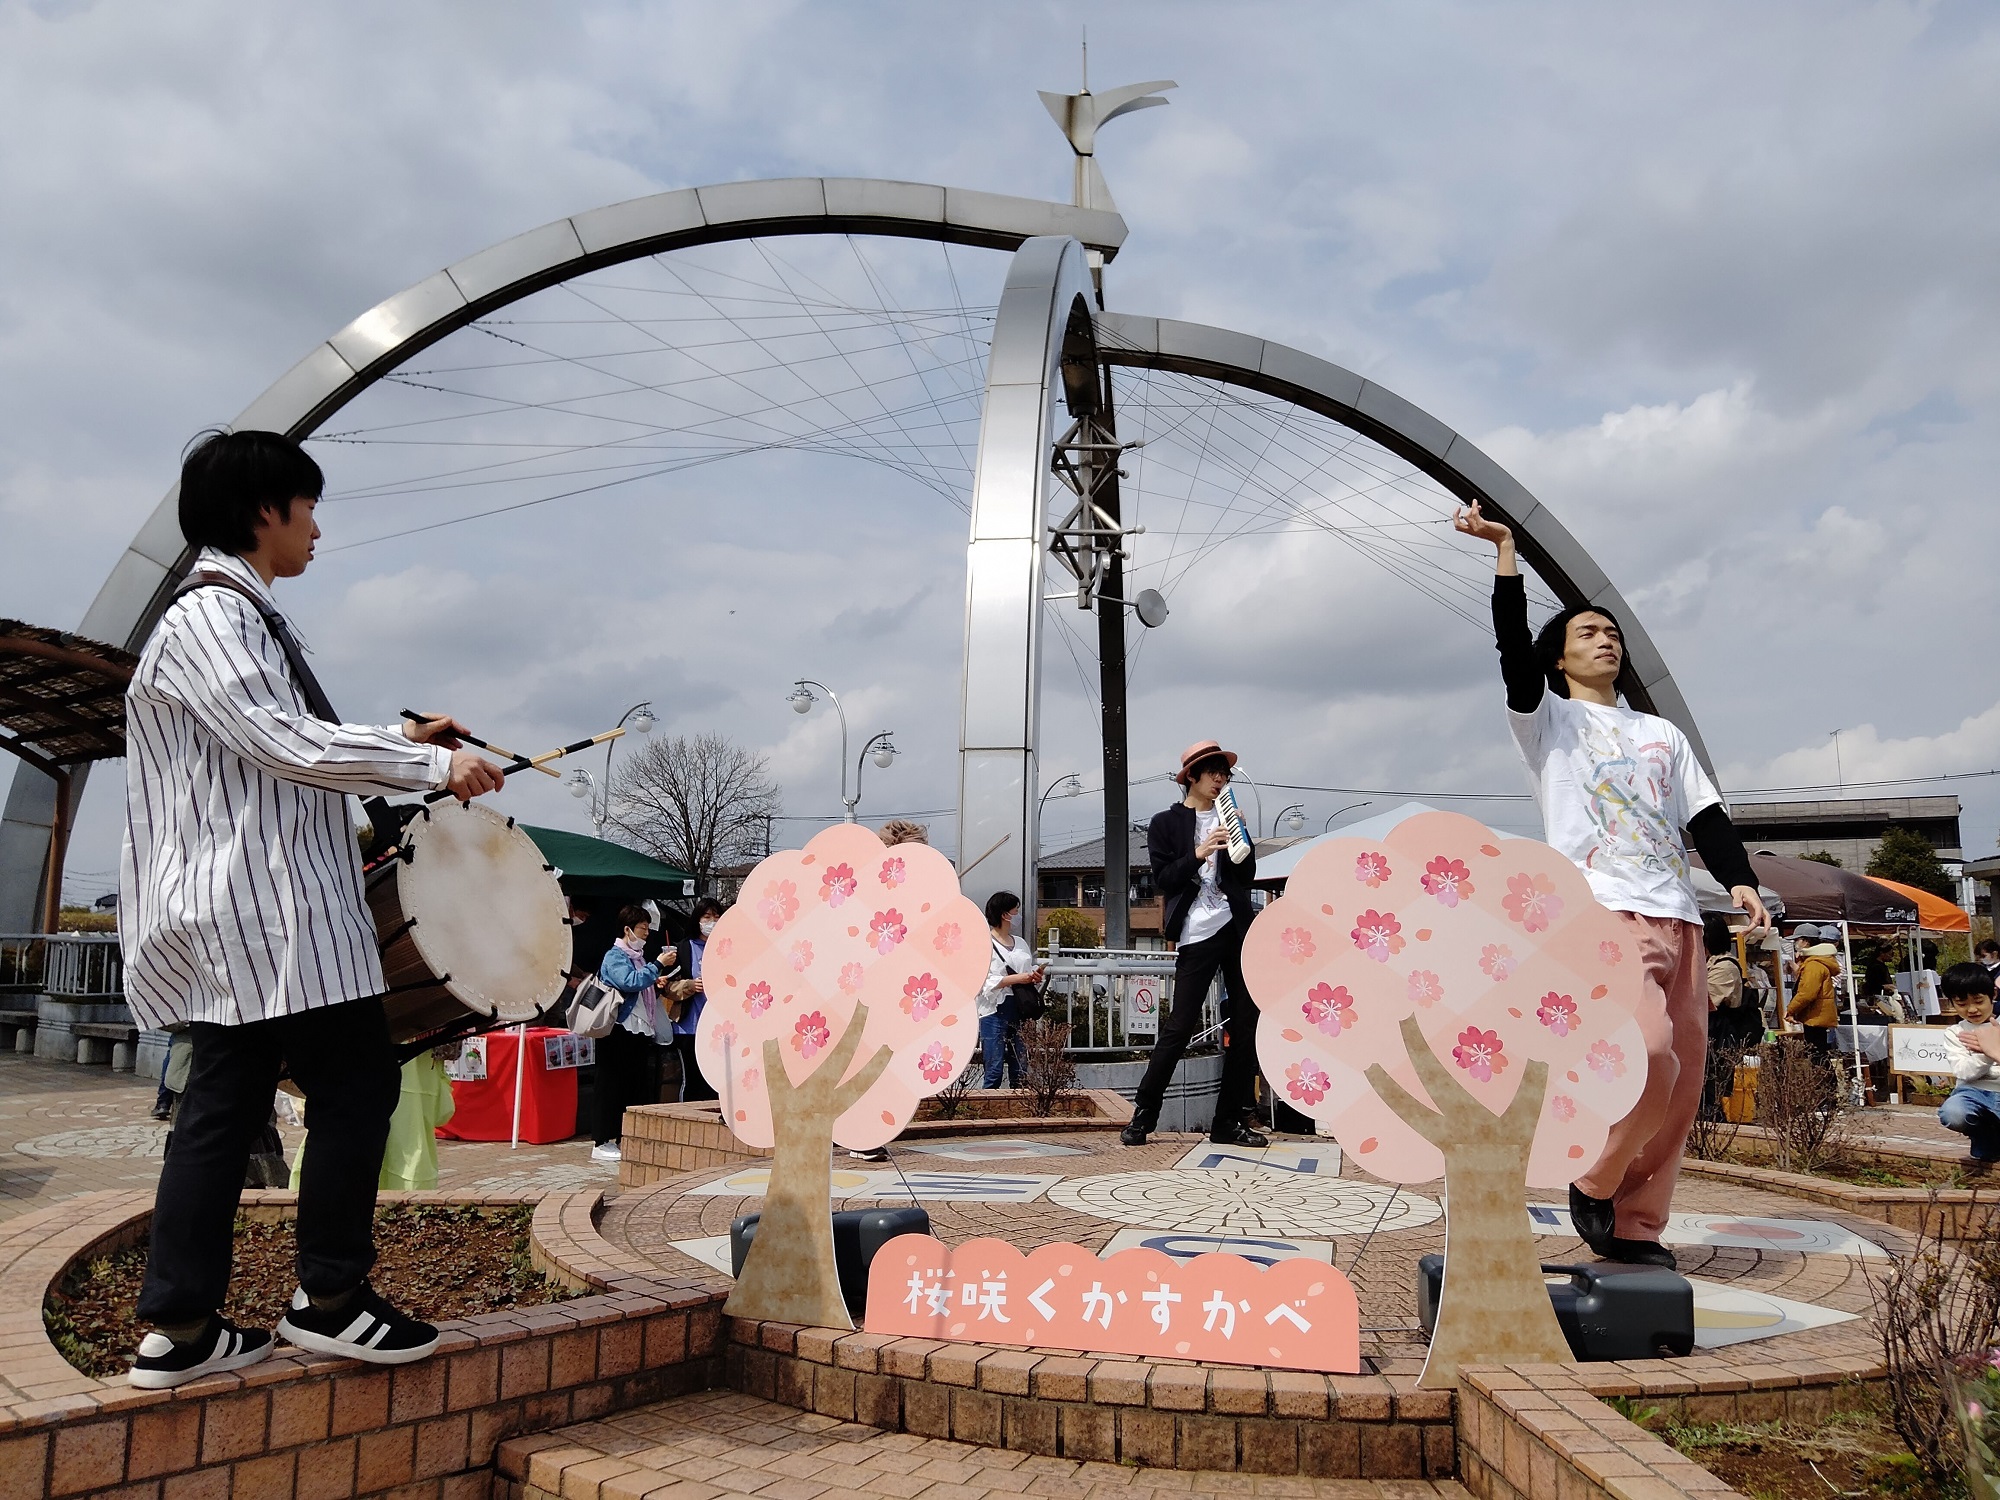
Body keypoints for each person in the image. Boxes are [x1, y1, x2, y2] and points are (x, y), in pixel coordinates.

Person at [119, 429, 505, 1390]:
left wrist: (399, 735)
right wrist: (431, 764)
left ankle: (181, 1326)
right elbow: (287, 743)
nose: (318, 528)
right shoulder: (215, 617)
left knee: (226, 1106)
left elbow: (287, 739)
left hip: (249, 917)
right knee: (352, 1088)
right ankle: (327, 1300)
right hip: (267, 916)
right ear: (264, 511)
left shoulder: (230, 616)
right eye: (307, 507)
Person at [1456, 501, 1769, 1270]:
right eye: (1588, 632)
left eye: (1612, 632)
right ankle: (1594, 1180)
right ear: (1558, 658)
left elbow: (1707, 815)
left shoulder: (1660, 734)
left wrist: (1740, 881)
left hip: (1683, 919)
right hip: (1604, 915)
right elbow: (1509, 654)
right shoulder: (1548, 722)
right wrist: (1505, 553)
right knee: (1650, 1055)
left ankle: (1637, 1228)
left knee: (1686, 1081)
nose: (1607, 639)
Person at [1122, 740, 1267, 1149]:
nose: (1221, 779)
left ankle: (1229, 1122)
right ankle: (1143, 1115)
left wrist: (1241, 837)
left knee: (1244, 1024)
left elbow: (1247, 874)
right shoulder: (1166, 823)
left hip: (1236, 927)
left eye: (1225, 773)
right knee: (1179, 1025)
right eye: (1214, 772)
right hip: (1196, 932)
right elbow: (1163, 879)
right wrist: (1200, 852)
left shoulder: (1229, 815)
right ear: (1193, 776)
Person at [591, 906, 669, 1163]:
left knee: (634, 1084)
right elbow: (629, 982)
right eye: (642, 929)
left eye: (647, 928)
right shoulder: (614, 956)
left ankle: (627, 1136)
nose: (646, 934)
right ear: (628, 929)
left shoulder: (639, 957)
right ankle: (602, 1139)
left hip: (639, 1029)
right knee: (611, 1083)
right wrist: (657, 965)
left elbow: (640, 985)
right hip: (618, 1029)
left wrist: (655, 981)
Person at [1937, 963, 2000, 1171]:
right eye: (1962, 1003)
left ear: (1993, 994)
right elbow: (1963, 1071)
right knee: (1953, 1113)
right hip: (1972, 1092)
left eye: (1978, 1001)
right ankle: (1985, 1135)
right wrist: (1987, 1054)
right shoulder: (1955, 1033)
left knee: (1989, 1153)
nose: (1972, 1009)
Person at [979, 891, 1043, 1088]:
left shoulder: (1021, 942)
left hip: (1021, 1007)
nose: (1018, 914)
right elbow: (983, 981)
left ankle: (1021, 1110)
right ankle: (988, 1111)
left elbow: (1026, 969)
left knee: (1021, 1068)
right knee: (994, 1068)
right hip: (994, 1009)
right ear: (1005, 914)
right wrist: (1017, 979)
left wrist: (1034, 976)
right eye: (1016, 910)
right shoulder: (983, 943)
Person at [671, 898, 722, 1102]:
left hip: (718, 1028)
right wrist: (689, 985)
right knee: (692, 1079)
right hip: (689, 1026)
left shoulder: (726, 947)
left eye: (717, 917)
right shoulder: (683, 948)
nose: (712, 921)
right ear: (697, 920)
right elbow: (666, 985)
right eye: (707, 917)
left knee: (716, 1080)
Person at [1786, 933, 1842, 1056]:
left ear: (1806, 942)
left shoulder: (1813, 965)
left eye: (1797, 939)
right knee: (1818, 1053)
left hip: (1814, 1016)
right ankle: (1825, 1075)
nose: (1795, 943)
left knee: (1816, 1055)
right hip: (1817, 1015)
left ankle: (1825, 1075)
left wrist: (1790, 1010)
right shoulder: (1816, 962)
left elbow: (1807, 993)